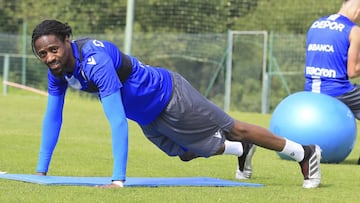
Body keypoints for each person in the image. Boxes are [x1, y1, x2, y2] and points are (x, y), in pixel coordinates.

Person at [32, 19, 322, 189]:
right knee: (185, 154)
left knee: (234, 127)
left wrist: (118, 180)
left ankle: (304, 152)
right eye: (43, 54)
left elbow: (116, 119)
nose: (50, 58)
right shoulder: (58, 71)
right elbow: (53, 118)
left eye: (54, 49)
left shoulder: (96, 61)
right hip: (147, 116)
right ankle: (241, 151)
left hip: (170, 96)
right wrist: (41, 172)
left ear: (68, 40)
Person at [304, 0, 360, 165]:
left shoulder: (316, 24)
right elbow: (353, 71)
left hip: (309, 90)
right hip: (337, 91)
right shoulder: (354, 30)